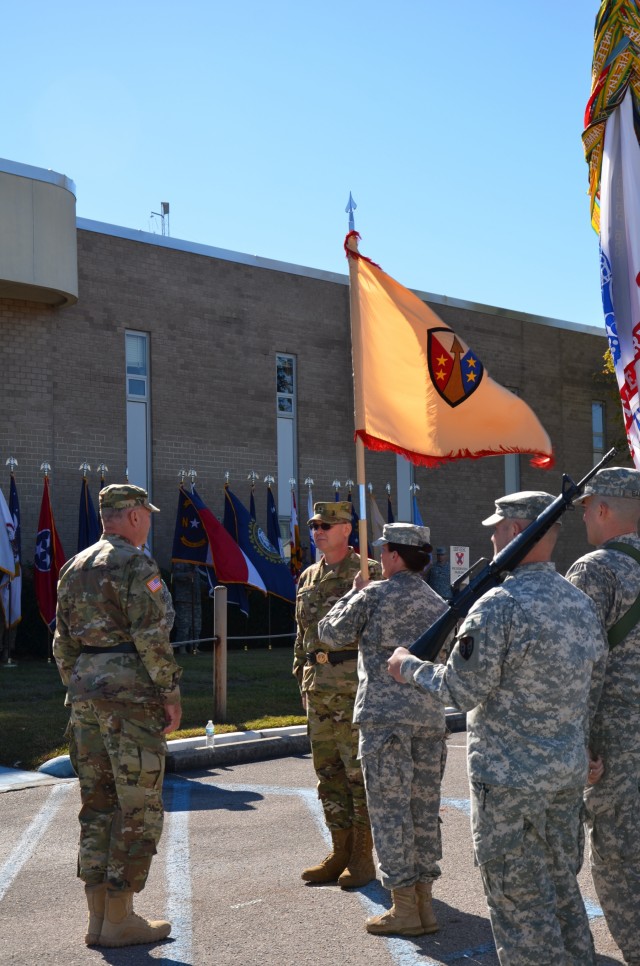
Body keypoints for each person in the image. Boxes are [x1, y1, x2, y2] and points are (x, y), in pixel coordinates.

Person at [387, 491, 607, 966]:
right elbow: (594, 685)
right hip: (564, 778)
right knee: (563, 898)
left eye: (497, 526)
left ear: (514, 532)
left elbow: (461, 691)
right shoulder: (579, 602)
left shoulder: (499, 605)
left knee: (520, 911)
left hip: (510, 787)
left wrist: (408, 666)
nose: (490, 534)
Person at [53, 484, 182, 949]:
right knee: (137, 807)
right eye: (145, 514)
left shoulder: (74, 565)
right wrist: (169, 692)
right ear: (131, 517)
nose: (148, 521)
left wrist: (81, 683)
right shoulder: (136, 565)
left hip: (85, 698)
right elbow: (151, 635)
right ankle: (120, 918)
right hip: (130, 700)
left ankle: (97, 920)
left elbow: (62, 642)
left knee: (98, 806)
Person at [318, 522, 449, 936]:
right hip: (429, 721)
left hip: (385, 722)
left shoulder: (373, 595)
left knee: (391, 816)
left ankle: (405, 908)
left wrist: (355, 591)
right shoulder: (439, 603)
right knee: (423, 813)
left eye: (383, 551)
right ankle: (424, 905)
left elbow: (329, 632)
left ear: (393, 555)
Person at [565, 466, 640, 966]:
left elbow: (578, 664)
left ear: (605, 508)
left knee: (619, 862)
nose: (586, 518)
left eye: (589, 507)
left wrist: (578, 743)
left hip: (618, 744)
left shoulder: (595, 568)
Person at [293, 500, 381, 888]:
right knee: (328, 774)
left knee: (357, 774)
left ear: (348, 528)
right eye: (315, 524)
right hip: (319, 688)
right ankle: (340, 850)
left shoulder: (367, 571)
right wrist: (302, 679)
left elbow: (379, 631)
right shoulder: (308, 576)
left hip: (352, 689)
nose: (318, 530)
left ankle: (363, 857)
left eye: (327, 524)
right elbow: (302, 638)